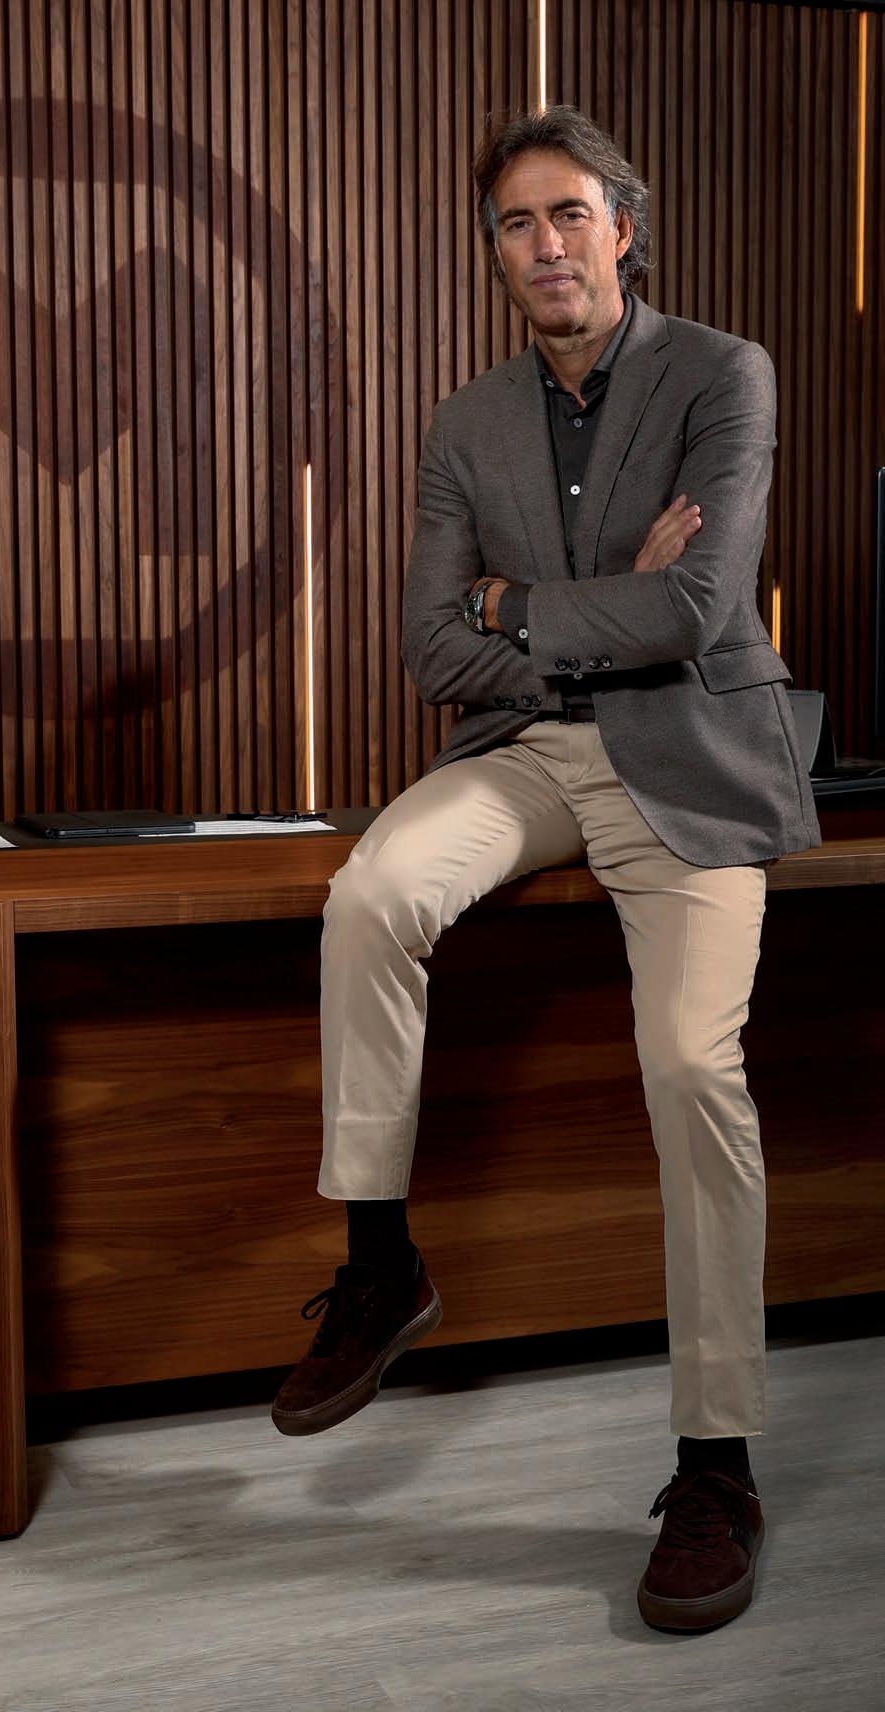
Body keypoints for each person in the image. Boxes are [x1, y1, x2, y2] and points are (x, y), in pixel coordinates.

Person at [270, 105, 821, 1634]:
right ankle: (378, 1262)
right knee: (371, 896)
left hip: (687, 757)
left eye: (568, 213)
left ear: (621, 228)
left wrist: (519, 605)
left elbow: (697, 610)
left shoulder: (719, 373)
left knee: (688, 1065)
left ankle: (715, 1464)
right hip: (527, 751)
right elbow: (428, 648)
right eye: (515, 223)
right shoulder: (464, 423)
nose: (544, 243)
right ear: (495, 254)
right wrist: (582, 613)